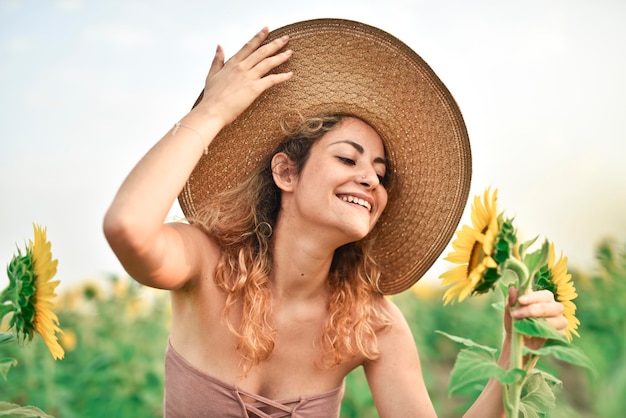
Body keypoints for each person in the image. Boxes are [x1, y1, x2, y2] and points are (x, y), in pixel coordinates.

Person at [103, 19, 567, 417]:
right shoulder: (204, 264)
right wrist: (215, 111)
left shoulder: (370, 322)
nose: (370, 180)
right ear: (286, 171)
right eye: (348, 159)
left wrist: (517, 355)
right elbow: (128, 226)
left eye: (381, 175)